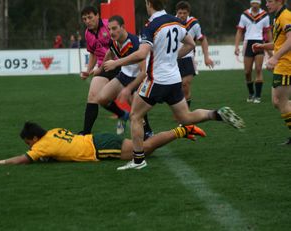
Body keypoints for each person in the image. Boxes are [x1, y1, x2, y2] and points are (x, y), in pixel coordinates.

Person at [104, 0, 245, 170]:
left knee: (135, 116)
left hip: (156, 80)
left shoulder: (150, 25)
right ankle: (217, 114)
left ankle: (138, 160)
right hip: (174, 79)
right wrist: (172, 58)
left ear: (149, 3)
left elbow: (141, 54)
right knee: (186, 117)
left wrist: (116, 63)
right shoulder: (176, 20)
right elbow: (191, 44)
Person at [0, 121, 206, 165]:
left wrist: (1, 162)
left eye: (28, 143)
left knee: (144, 150)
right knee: (145, 150)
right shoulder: (53, 132)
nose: (29, 147)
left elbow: (24, 159)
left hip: (99, 148)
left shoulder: (41, 146)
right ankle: (181, 132)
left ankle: (182, 130)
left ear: (33, 139)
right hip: (98, 139)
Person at [93, 15, 153, 138]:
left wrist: (128, 89)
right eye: (109, 29)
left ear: (123, 27)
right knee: (101, 99)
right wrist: (99, 69)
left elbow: (143, 73)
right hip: (123, 76)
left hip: (138, 81)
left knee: (137, 115)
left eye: (114, 28)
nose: (111, 32)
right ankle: (122, 115)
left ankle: (148, 132)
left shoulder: (135, 43)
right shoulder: (114, 42)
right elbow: (109, 53)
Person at [79, 6, 128, 135]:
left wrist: (100, 68)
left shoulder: (109, 25)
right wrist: (88, 70)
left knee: (132, 98)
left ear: (97, 15)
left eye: (90, 17)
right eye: (84, 19)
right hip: (104, 67)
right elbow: (93, 54)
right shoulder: (87, 33)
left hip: (120, 63)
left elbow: (118, 45)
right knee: (94, 96)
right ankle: (86, 134)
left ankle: (146, 132)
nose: (87, 21)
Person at [252, 0, 291, 145]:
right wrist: (263, 46)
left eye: (270, 1)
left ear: (280, 1)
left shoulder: (285, 16)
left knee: (282, 103)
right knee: (277, 102)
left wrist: (275, 57)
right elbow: (280, 43)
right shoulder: (277, 17)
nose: (267, 4)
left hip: (286, 65)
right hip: (281, 65)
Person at [175, 1, 214, 107]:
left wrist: (206, 57)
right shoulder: (172, 22)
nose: (182, 15)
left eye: (184, 13)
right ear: (176, 13)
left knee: (185, 84)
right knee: (176, 87)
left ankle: (186, 113)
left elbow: (203, 39)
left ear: (188, 13)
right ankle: (179, 110)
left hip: (188, 57)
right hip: (173, 59)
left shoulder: (194, 24)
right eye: (180, 13)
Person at [235, 0, 272, 104]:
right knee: (247, 72)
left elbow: (268, 31)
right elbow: (239, 31)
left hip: (259, 42)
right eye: (253, 3)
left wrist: (271, 44)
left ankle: (258, 96)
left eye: (256, 3)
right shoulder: (244, 15)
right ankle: (251, 93)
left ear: (259, 3)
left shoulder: (265, 15)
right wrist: (237, 46)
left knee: (259, 69)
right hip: (248, 43)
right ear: (251, 3)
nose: (254, 5)